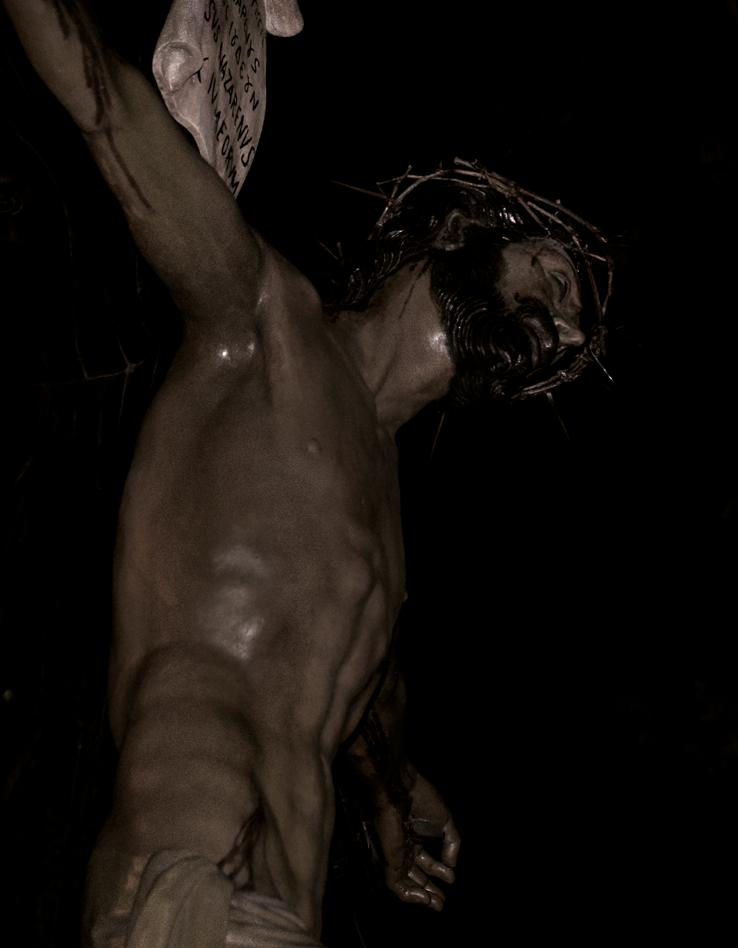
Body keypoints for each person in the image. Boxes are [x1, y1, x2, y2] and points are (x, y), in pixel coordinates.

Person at [2, 1, 610, 944]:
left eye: (570, 332)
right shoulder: (260, 321)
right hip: (191, 882)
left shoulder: (384, 521)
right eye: (556, 280)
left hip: (288, 918)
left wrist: (394, 793)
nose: (564, 329)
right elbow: (105, 106)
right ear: (461, 232)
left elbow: (354, 691)